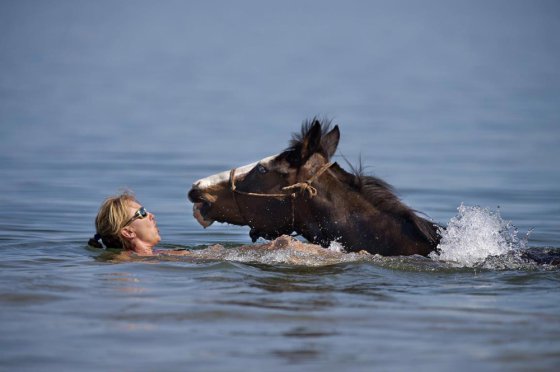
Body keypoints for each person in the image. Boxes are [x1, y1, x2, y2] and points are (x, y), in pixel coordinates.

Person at [88, 191, 163, 256]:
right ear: (128, 232)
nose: (152, 215)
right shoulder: (126, 260)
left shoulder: (158, 254)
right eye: (142, 213)